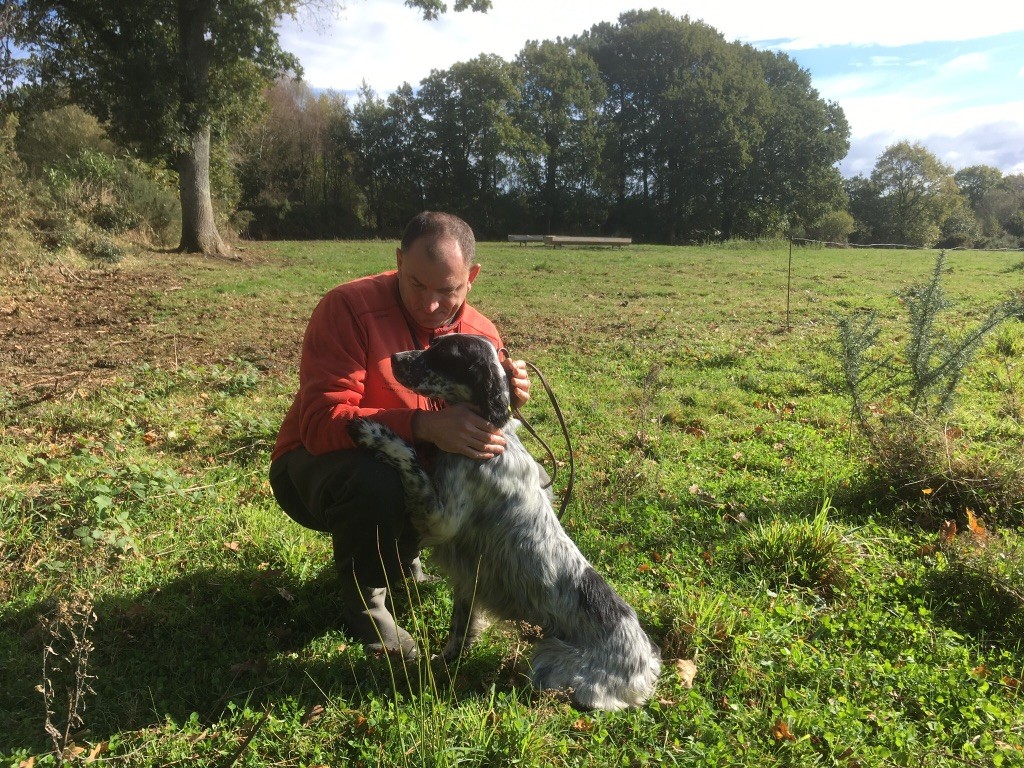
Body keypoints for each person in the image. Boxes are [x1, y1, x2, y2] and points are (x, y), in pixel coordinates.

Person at [269, 211, 530, 661]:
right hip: (315, 467)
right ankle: (368, 608)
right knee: (379, 478)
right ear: (397, 261)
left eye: (448, 291)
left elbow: (484, 436)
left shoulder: (481, 332)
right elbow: (319, 422)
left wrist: (506, 400)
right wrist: (423, 426)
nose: (430, 305)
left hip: (415, 470)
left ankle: (435, 575)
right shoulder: (348, 308)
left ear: (472, 277)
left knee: (519, 481)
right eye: (416, 284)